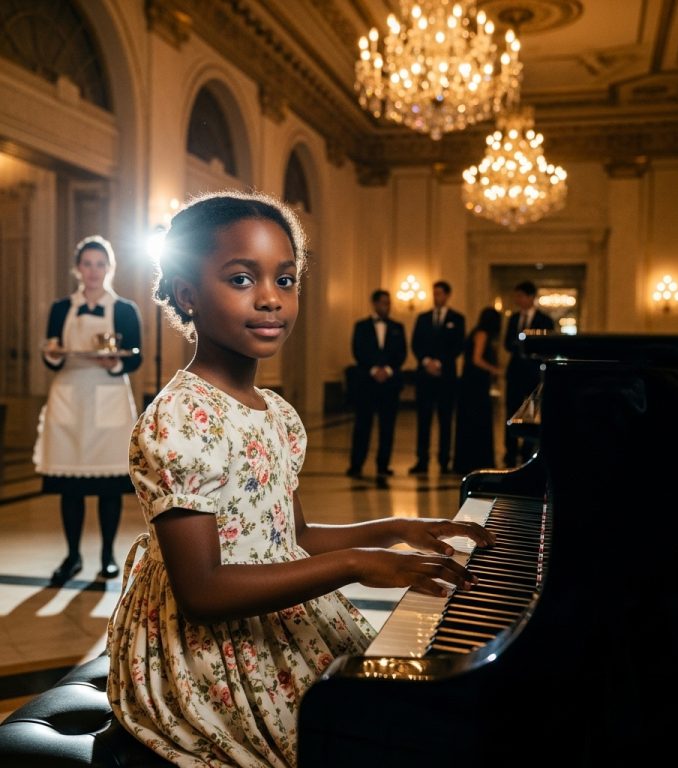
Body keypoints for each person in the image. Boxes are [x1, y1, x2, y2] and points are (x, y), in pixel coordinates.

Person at [106, 190, 494, 768]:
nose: (270, 299)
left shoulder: (277, 413)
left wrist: (395, 527)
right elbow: (204, 591)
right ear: (187, 294)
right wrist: (358, 564)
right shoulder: (178, 419)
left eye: (285, 280)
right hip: (205, 652)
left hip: (277, 608)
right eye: (241, 279)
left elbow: (293, 536)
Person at [33, 235, 142, 585]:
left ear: (109, 268)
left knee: (109, 486)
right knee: (70, 486)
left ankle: (108, 555)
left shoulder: (124, 309)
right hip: (68, 395)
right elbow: (52, 352)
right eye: (87, 264)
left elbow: (134, 357)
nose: (93, 271)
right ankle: (72, 555)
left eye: (100, 264)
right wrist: (51, 356)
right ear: (78, 269)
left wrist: (113, 363)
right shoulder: (60, 308)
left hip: (109, 395)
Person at [346, 289, 407, 480]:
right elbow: (358, 350)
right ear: (374, 303)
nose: (386, 306)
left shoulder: (398, 327)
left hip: (390, 384)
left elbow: (402, 353)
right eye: (383, 303)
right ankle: (356, 464)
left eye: (388, 303)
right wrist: (373, 369)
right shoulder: (361, 326)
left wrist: (387, 370)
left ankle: (383, 465)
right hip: (367, 382)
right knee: (362, 425)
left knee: (387, 426)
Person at [409, 280, 465, 474]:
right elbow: (415, 343)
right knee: (423, 421)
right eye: (434, 293)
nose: (436, 297)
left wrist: (439, 363)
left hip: (446, 377)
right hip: (425, 377)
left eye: (439, 293)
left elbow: (458, 346)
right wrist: (426, 362)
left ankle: (444, 461)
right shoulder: (423, 318)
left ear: (447, 295)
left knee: (445, 421)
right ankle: (421, 460)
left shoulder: (457, 319)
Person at [503, 280, 554, 467]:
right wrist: (518, 342)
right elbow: (507, 343)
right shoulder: (513, 319)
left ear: (531, 297)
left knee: (532, 413)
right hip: (515, 371)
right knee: (511, 410)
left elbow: (547, 345)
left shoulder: (545, 320)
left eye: (521, 296)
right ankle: (510, 451)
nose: (518, 300)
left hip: (533, 373)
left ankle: (527, 451)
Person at [453, 306, 503, 476]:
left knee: (470, 421)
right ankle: (477, 459)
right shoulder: (482, 334)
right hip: (475, 384)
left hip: (471, 383)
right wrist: (495, 370)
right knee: (478, 420)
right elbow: (477, 359)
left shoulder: (477, 331)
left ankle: (467, 460)